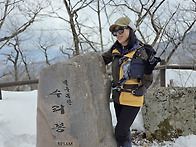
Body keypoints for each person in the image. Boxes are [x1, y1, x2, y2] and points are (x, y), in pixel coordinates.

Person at [102, 17, 159, 147]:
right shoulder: (115, 50)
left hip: (133, 97)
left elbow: (147, 81)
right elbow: (101, 60)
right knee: (125, 131)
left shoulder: (141, 51)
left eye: (121, 30)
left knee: (120, 133)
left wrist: (149, 70)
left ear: (131, 30)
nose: (118, 35)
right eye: (115, 32)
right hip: (118, 97)